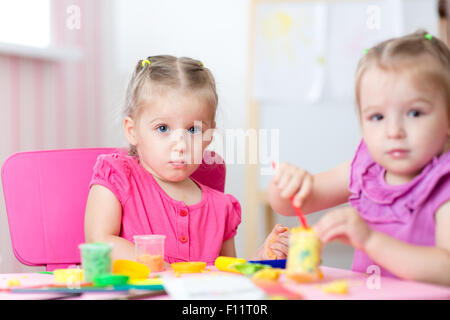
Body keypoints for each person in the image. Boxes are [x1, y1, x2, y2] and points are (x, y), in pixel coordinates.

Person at [268, 31, 450, 286]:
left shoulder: (444, 182)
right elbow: (289, 204)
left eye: (415, 112)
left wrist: (370, 241)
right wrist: (286, 184)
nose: (394, 131)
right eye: (377, 117)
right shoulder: (367, 169)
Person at [84, 55, 289, 267]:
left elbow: (227, 274)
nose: (180, 144)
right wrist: (159, 265)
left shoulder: (221, 208)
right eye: (163, 128)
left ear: (209, 135)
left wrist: (261, 258)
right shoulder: (118, 177)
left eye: (193, 130)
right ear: (132, 130)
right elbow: (99, 241)